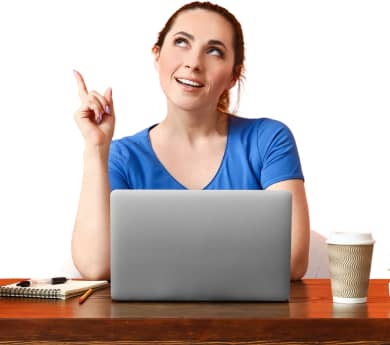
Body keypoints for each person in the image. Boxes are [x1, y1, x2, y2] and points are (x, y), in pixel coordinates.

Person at [72, 1, 310, 281]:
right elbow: (96, 266)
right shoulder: (122, 156)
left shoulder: (268, 140)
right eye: (182, 42)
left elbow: (292, 259)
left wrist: (154, 259)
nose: (194, 63)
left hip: (251, 321)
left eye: (214, 51)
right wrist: (96, 148)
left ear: (234, 75)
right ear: (157, 54)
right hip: (149, 321)